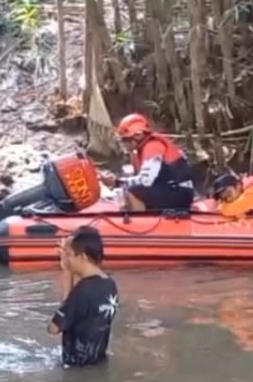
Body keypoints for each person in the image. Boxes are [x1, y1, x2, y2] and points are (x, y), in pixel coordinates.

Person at [48, 226, 119, 367]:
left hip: (76, 367)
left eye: (69, 255)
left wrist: (67, 270)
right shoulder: (110, 285)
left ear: (82, 257)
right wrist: (68, 271)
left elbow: (53, 328)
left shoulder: (83, 291)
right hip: (98, 361)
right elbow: (72, 310)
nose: (66, 259)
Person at [98, 113, 196, 213]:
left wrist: (116, 183)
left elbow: (145, 181)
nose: (123, 144)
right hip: (175, 190)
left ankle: (139, 221)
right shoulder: (143, 149)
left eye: (125, 139)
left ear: (137, 136)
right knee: (131, 190)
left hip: (179, 194)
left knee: (132, 191)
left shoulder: (153, 147)